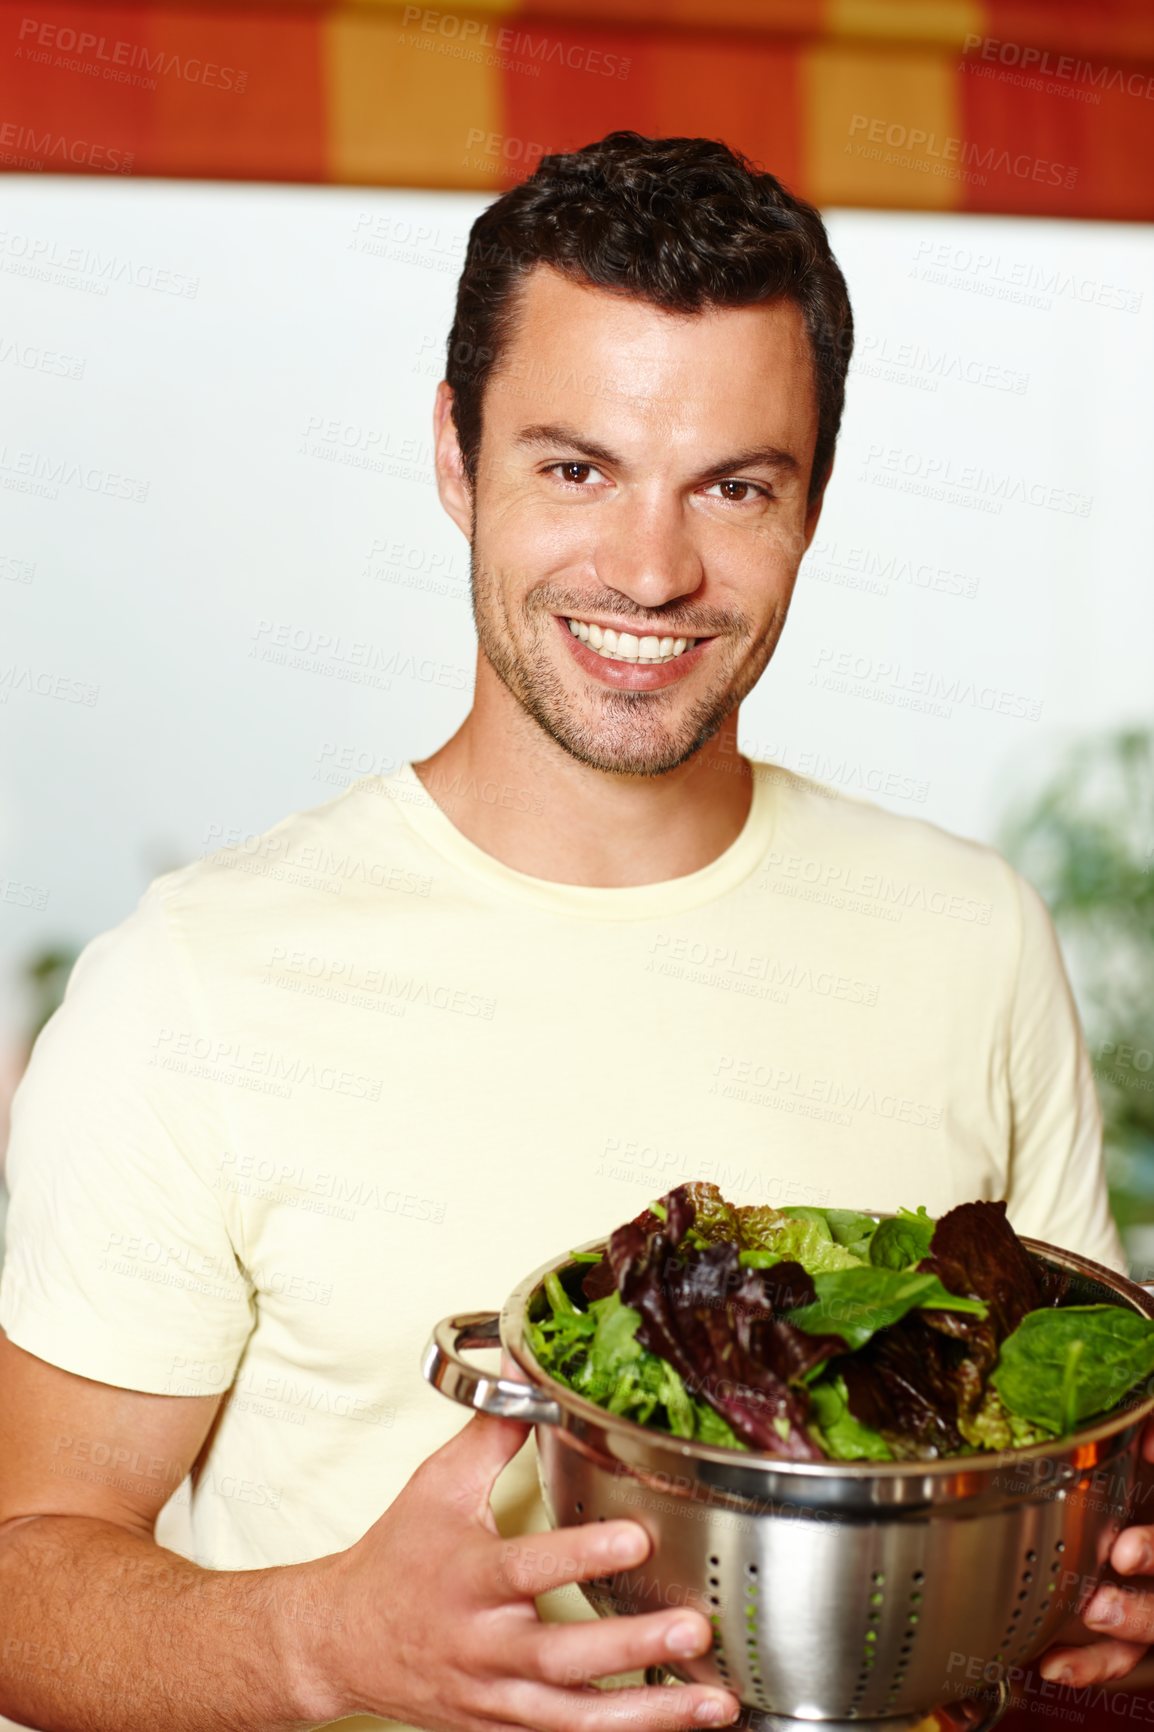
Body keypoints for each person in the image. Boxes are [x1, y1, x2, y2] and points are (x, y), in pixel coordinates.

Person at [0, 128, 1144, 1732]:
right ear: (456, 457)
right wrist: (323, 1645)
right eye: (574, 466)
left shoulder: (973, 935)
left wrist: (1100, 1609)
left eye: (732, 486)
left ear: (810, 501)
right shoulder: (189, 981)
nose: (650, 569)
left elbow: (1066, 1491)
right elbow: (24, 1570)